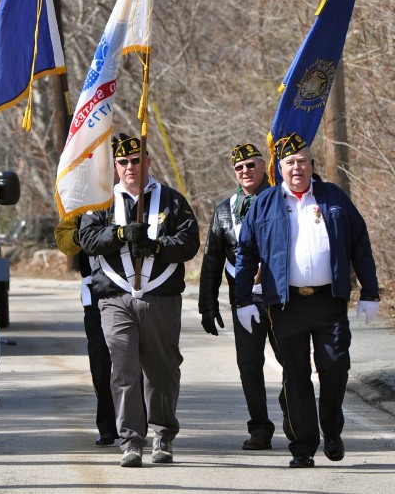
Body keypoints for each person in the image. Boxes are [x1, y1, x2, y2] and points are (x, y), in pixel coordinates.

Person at [234, 133, 380, 468]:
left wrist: (370, 292)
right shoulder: (265, 204)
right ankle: (303, 446)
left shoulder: (333, 197)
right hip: (286, 305)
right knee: (296, 376)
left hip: (329, 302)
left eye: (302, 160)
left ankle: (331, 431)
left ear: (312, 164)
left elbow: (359, 242)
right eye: (289, 162)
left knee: (335, 368)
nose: (297, 167)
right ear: (279, 169)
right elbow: (246, 253)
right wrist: (242, 300)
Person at [79, 134, 199, 468]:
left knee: (162, 371)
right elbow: (86, 239)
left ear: (148, 161)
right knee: (124, 370)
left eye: (136, 160)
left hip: (159, 298)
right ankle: (131, 440)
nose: (130, 167)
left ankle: (163, 434)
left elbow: (189, 241)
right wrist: (119, 234)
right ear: (115, 166)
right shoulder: (101, 203)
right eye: (123, 162)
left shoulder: (172, 200)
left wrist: (159, 246)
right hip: (115, 299)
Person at [199, 143, 289, 450]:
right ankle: (260, 428)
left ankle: (292, 412)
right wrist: (208, 304)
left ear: (264, 166)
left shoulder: (283, 200)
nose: (245, 172)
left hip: (281, 297)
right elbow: (212, 259)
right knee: (249, 365)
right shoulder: (225, 211)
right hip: (245, 300)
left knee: (292, 362)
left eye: (251, 165)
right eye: (239, 168)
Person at [55, 215, 117, 446]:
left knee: (134, 359)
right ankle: (108, 426)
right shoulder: (80, 206)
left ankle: (134, 422)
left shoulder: (130, 196)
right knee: (101, 361)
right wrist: (88, 232)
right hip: (95, 290)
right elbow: (64, 241)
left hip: (131, 287)